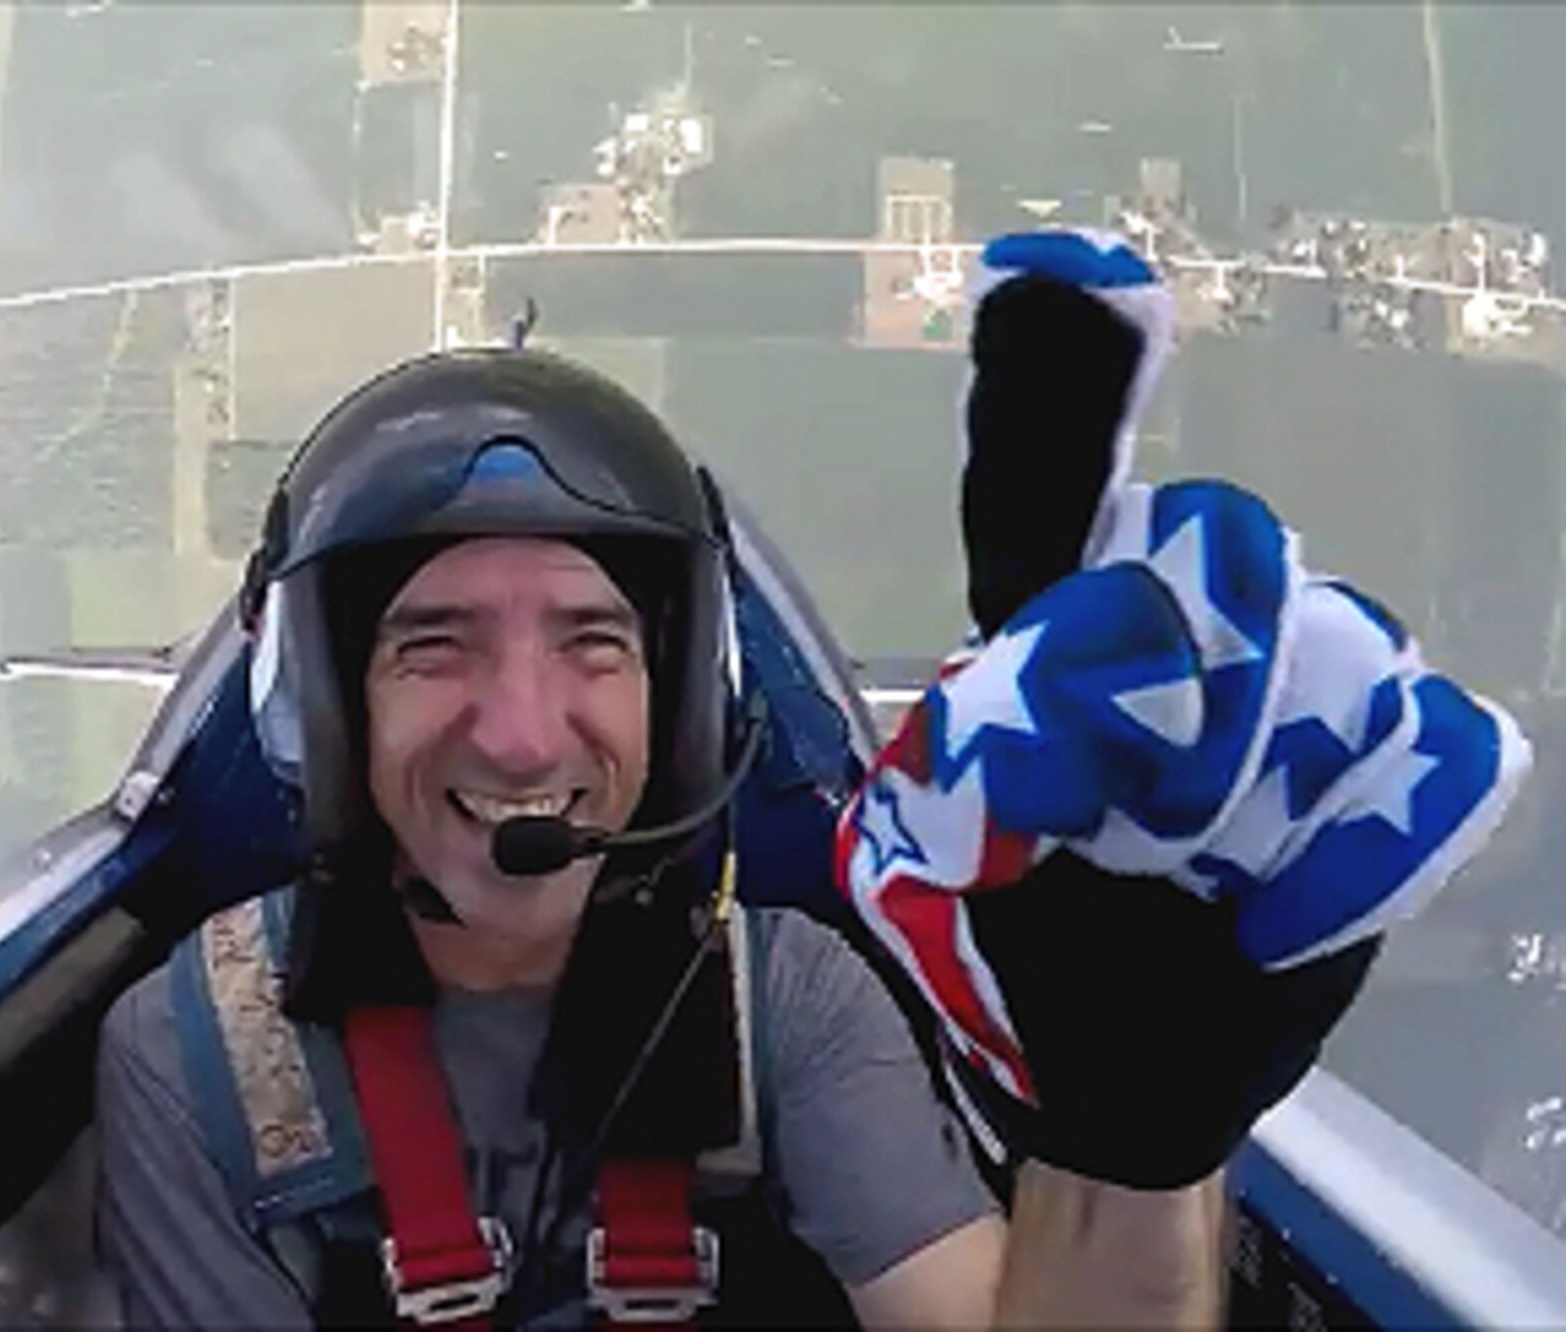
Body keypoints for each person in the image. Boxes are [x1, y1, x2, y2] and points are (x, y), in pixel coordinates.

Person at [95, 333, 1248, 1329]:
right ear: (324, 713)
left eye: (593, 643)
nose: (521, 738)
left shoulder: (786, 1001)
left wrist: (1136, 1152)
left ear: (685, 705)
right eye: (432, 646)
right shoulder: (197, 1053)